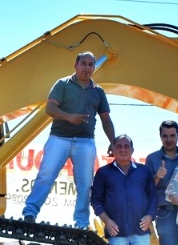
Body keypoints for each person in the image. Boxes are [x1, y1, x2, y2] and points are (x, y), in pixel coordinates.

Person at [22, 52, 116, 229]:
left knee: (85, 183)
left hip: (85, 141)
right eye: (84, 64)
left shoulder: (98, 92)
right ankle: (30, 212)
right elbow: (49, 108)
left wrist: (113, 141)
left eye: (90, 65)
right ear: (76, 65)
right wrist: (69, 117)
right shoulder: (62, 84)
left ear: (94, 68)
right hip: (59, 138)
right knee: (46, 175)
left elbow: (105, 119)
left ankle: (81, 223)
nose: (87, 68)